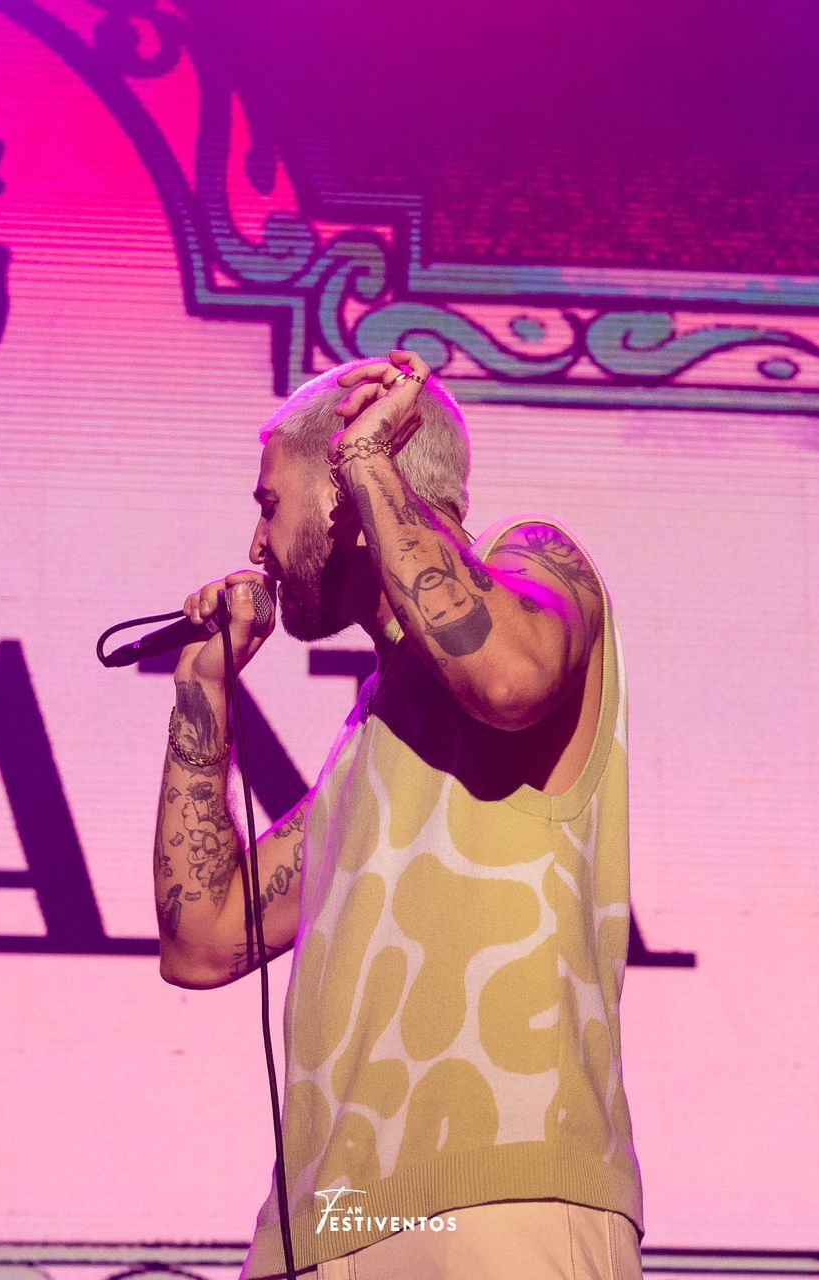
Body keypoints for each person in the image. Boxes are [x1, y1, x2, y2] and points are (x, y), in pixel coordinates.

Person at [150, 348, 644, 1279]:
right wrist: (202, 691)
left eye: (269, 503)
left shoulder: (537, 559)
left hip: (497, 1199)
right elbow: (201, 939)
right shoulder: (368, 744)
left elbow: (508, 676)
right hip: (324, 1223)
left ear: (341, 483)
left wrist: (368, 461)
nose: (256, 545)